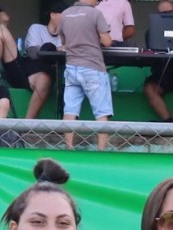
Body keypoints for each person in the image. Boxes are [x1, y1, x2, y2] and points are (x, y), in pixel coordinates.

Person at [60, 0, 113, 151]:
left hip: (71, 67)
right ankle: (101, 150)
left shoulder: (65, 14)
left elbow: (64, 40)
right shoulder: (95, 13)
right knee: (101, 112)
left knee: (70, 110)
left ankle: (69, 147)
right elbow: (107, 42)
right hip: (92, 67)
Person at [9, 2, 64, 123]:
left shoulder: (64, 36)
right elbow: (33, 53)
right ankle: (27, 125)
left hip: (54, 73)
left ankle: (28, 123)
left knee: (48, 78)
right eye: (63, 15)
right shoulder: (37, 28)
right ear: (53, 15)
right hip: (30, 69)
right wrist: (53, 50)